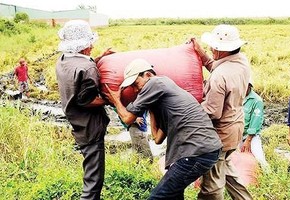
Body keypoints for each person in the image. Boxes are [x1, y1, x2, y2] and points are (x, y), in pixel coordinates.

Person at [104, 58, 223, 199]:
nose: (136, 90)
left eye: (136, 84)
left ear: (147, 75)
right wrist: (150, 107)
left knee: (157, 197)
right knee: (174, 195)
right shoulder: (166, 100)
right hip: (206, 150)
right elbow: (157, 138)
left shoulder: (156, 82)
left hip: (196, 151)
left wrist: (116, 100)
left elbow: (127, 118)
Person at [193, 24, 253, 200]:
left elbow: (212, 111)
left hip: (220, 135)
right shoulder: (241, 62)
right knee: (227, 168)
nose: (211, 49)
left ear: (221, 49)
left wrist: (188, 110)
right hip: (236, 129)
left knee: (212, 184)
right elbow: (220, 68)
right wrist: (203, 56)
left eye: (213, 47)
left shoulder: (219, 77)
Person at [55, 20, 110, 200]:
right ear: (83, 45)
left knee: (90, 171)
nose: (92, 46)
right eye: (89, 43)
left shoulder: (63, 61)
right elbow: (86, 100)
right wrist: (108, 99)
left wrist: (99, 58)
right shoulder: (87, 68)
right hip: (90, 128)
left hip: (77, 123)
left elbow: (78, 75)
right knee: (93, 182)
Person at [241, 81, 270, 171]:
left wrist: (248, 140)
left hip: (250, 136)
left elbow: (256, 122)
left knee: (259, 158)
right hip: (236, 135)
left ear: (249, 86)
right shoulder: (236, 96)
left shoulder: (257, 100)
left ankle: (268, 176)